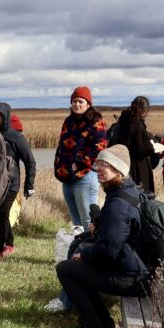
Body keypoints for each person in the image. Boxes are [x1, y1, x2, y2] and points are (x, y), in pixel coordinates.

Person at [55, 144, 151, 328]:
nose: (97, 169)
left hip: (132, 278)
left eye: (104, 164)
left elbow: (108, 251)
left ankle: (97, 326)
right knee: (80, 248)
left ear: (118, 169)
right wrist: (99, 228)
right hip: (136, 267)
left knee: (66, 269)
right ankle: (98, 322)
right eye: (97, 163)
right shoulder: (128, 191)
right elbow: (119, 236)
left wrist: (85, 255)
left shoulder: (118, 203)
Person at [54, 87, 108, 233]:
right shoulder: (68, 121)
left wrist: (77, 163)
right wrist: (58, 164)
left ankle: (92, 253)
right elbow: (61, 146)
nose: (77, 104)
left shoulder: (96, 122)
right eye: (74, 101)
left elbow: (99, 148)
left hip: (86, 176)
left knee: (89, 222)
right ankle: (79, 253)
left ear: (88, 104)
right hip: (67, 177)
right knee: (76, 224)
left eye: (80, 101)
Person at [0, 102, 36, 260]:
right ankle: (10, 243)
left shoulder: (15, 137)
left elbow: (30, 161)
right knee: (0, 213)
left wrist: (29, 185)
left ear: (6, 117)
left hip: (11, 184)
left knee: (2, 213)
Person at [111, 96, 158, 193]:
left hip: (122, 165)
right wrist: (153, 148)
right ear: (145, 111)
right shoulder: (137, 124)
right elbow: (141, 149)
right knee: (140, 196)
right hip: (137, 168)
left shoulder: (122, 121)